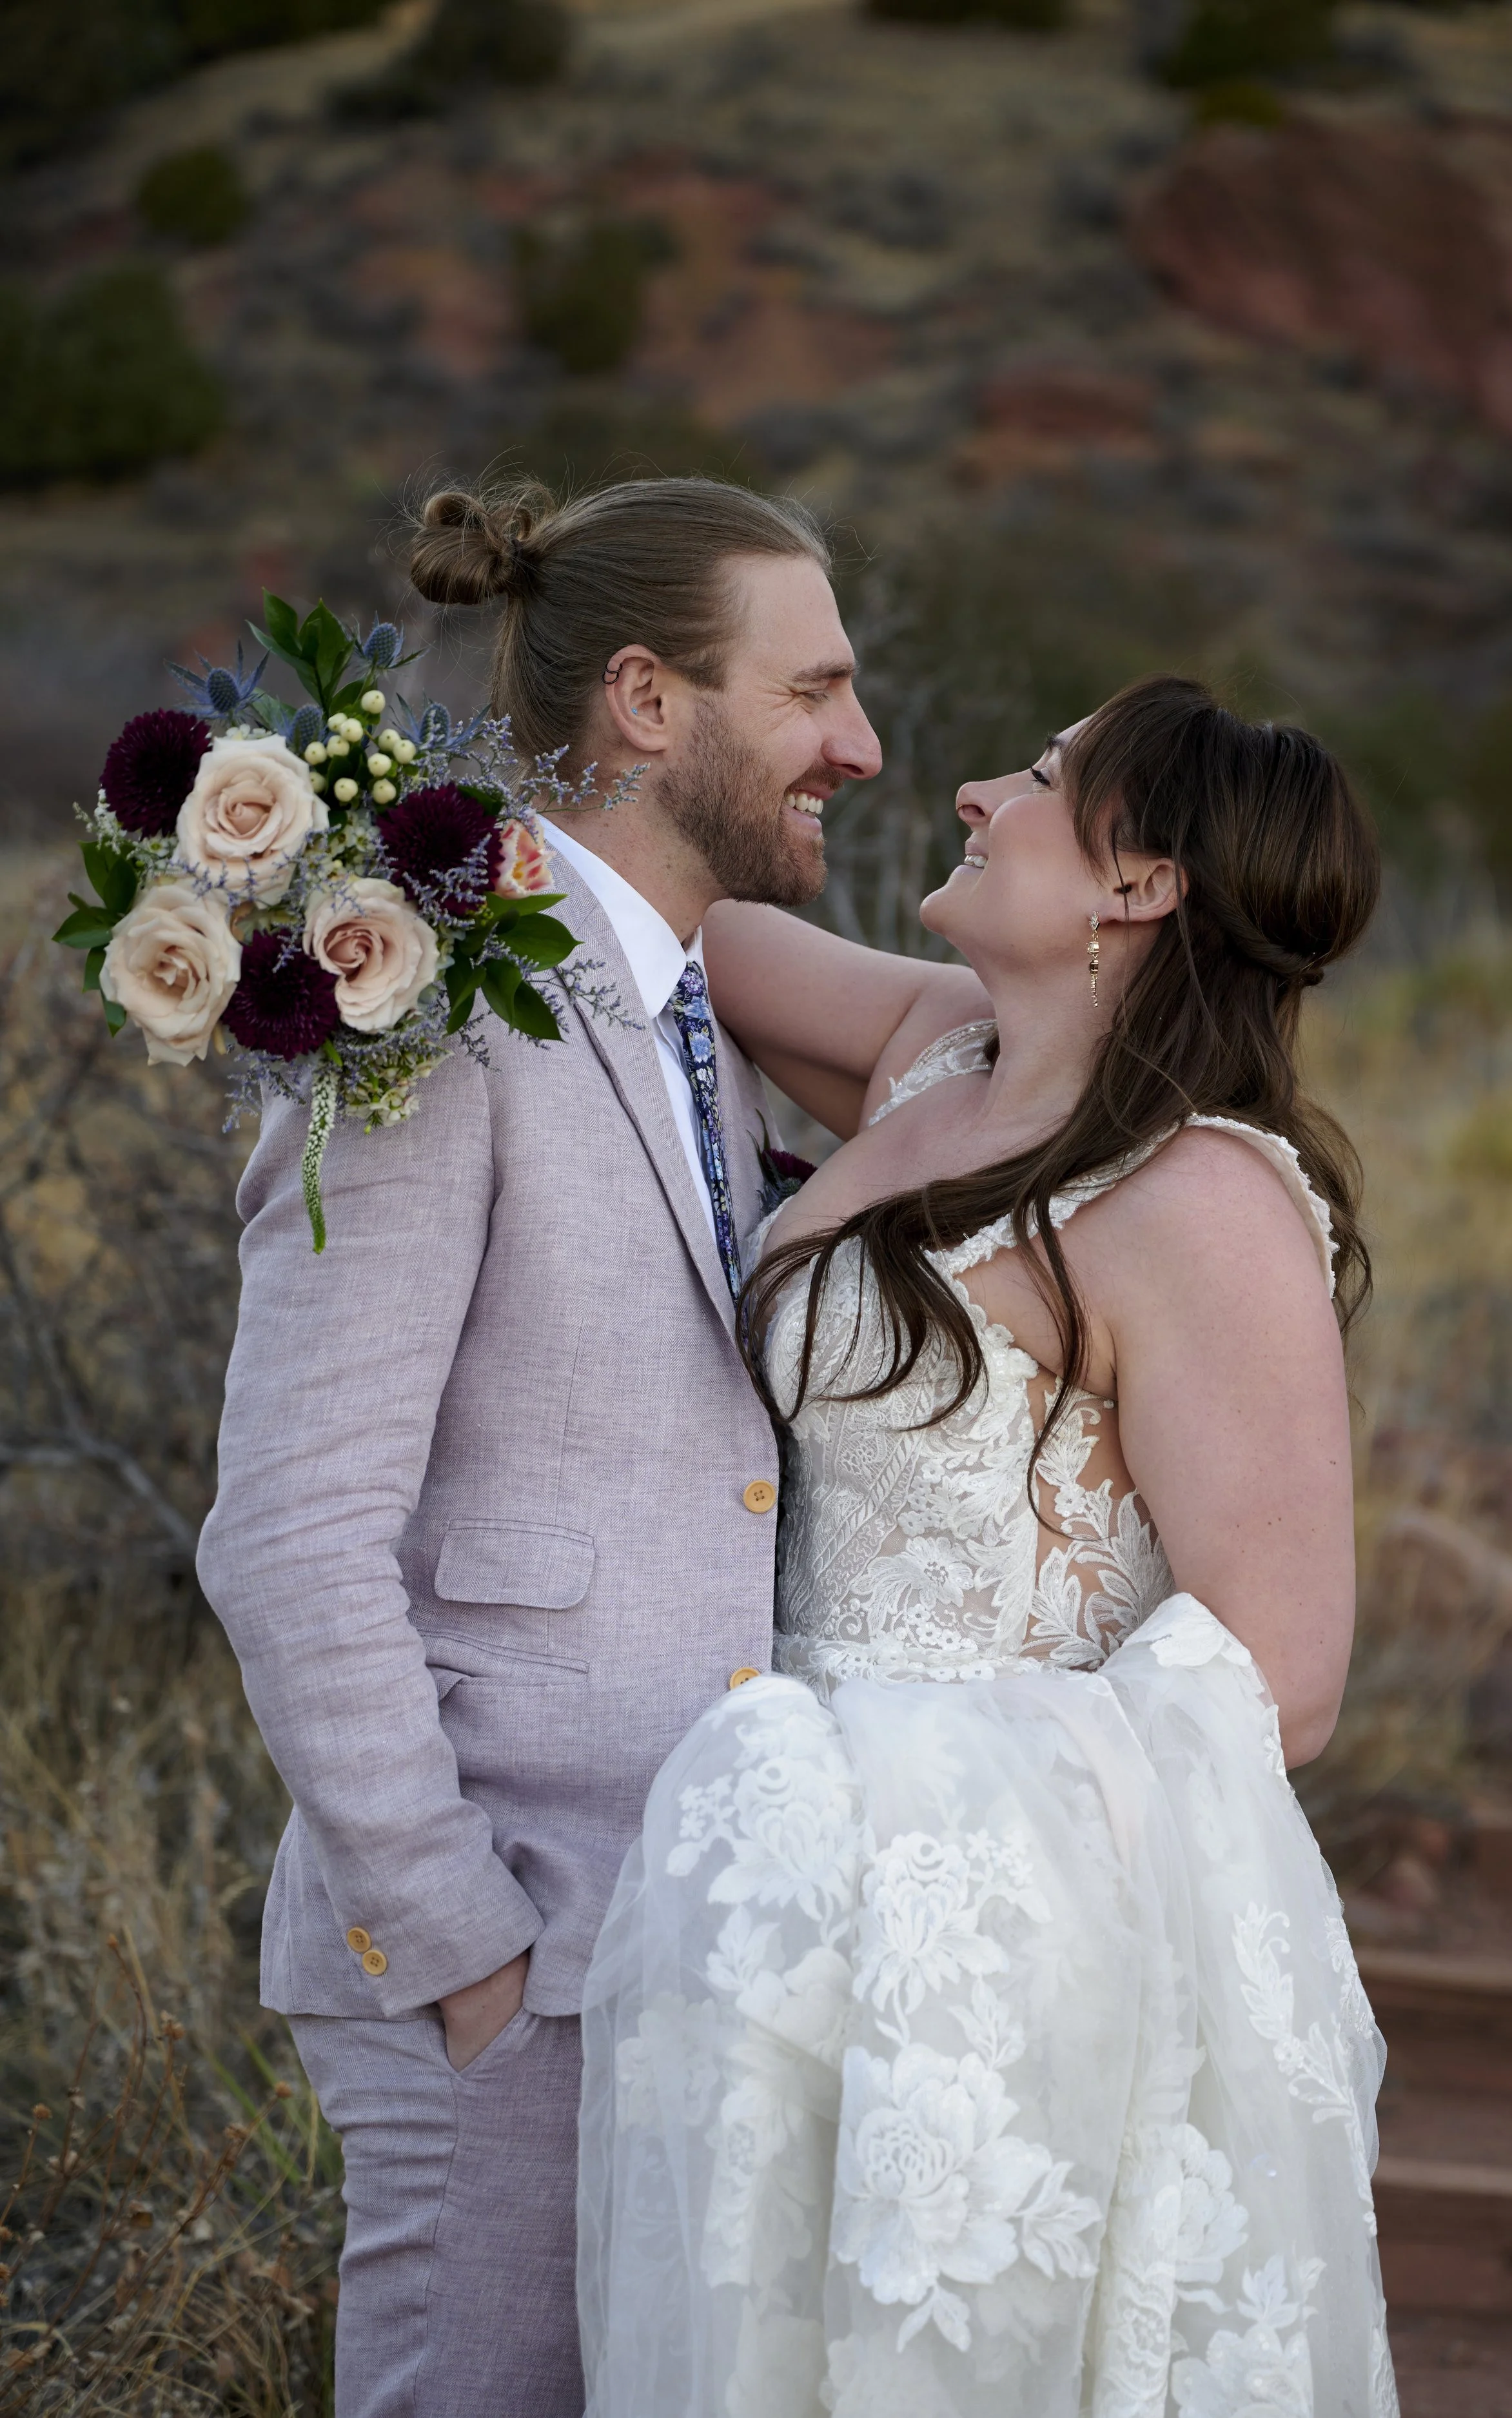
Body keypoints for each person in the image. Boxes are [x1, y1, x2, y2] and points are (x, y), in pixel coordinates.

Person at [578, 676, 1399, 2416]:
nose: (966, 792)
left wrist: (891, 1798)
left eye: (1037, 778)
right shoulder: (934, 1053)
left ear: (1139, 885)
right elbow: (649, 924)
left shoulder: (1197, 1201)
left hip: (983, 1944)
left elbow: (1288, 1679)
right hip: (780, 1900)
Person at [195, 475, 881, 2418]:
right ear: (651, 706)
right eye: (815, 686)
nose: (861, 740)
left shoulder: (693, 1019)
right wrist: (464, 1952)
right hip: (510, 1953)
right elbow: (290, 1535)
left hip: (689, 1929)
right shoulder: (422, 1006)